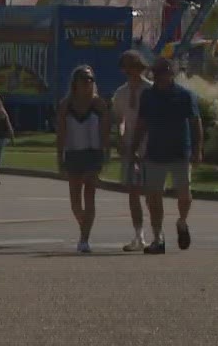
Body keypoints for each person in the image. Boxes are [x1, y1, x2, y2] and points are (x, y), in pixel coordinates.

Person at [129, 57, 202, 254]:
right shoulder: (148, 96)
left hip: (180, 151)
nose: (163, 76)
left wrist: (197, 149)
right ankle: (157, 238)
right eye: (159, 72)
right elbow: (141, 124)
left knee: (184, 195)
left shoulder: (185, 95)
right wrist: (134, 148)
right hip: (155, 152)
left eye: (166, 72)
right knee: (154, 197)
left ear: (172, 74)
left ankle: (182, 222)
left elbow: (195, 123)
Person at [106, 50, 152, 252]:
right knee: (133, 193)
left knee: (151, 194)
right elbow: (119, 119)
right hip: (130, 148)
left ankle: (156, 233)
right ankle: (138, 235)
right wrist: (120, 137)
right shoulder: (121, 93)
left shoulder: (151, 91)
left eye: (134, 66)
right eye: (126, 67)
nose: (130, 70)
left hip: (151, 148)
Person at [56, 67, 106, 253]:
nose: (88, 83)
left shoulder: (98, 104)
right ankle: (83, 226)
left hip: (93, 153)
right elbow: (61, 132)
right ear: (75, 82)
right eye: (84, 79)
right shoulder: (66, 105)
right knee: (75, 201)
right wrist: (59, 156)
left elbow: (105, 130)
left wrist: (105, 152)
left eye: (90, 79)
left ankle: (84, 239)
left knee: (90, 195)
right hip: (73, 153)